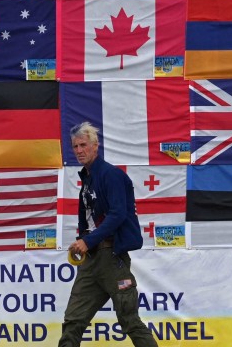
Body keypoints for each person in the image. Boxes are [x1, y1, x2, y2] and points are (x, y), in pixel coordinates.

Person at [58, 122, 158, 347]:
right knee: (73, 321)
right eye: (75, 146)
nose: (79, 150)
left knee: (129, 319)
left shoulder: (111, 175)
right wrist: (82, 239)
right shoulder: (87, 178)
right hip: (91, 261)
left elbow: (118, 214)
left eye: (83, 145)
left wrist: (88, 239)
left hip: (112, 258)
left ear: (95, 146)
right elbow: (89, 219)